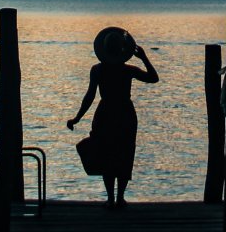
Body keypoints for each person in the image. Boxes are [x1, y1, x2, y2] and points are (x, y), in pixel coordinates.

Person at [67, 26, 159, 208]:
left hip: (107, 113)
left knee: (109, 153)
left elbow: (90, 96)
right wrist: (144, 58)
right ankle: (118, 198)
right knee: (122, 153)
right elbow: (153, 77)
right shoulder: (127, 70)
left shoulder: (98, 70)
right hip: (123, 113)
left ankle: (112, 198)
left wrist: (77, 118)